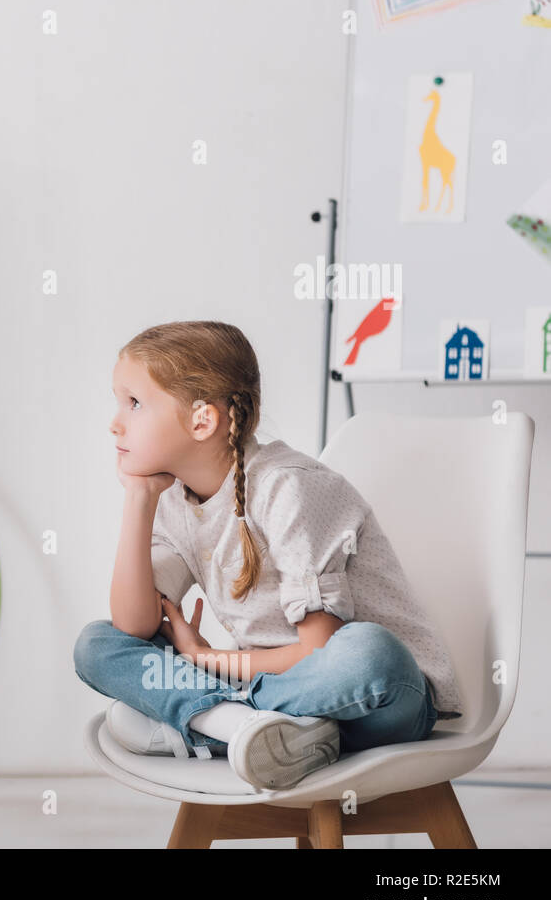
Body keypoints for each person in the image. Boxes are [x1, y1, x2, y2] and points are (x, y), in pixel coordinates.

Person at [73, 320, 462, 791]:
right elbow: (133, 625)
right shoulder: (174, 499)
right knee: (97, 644)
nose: (115, 421)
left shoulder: (288, 486)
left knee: (368, 652)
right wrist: (139, 501)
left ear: (202, 420)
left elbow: (320, 650)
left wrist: (208, 659)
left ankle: (214, 722)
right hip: (280, 696)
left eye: (134, 403)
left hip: (376, 699)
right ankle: (261, 732)